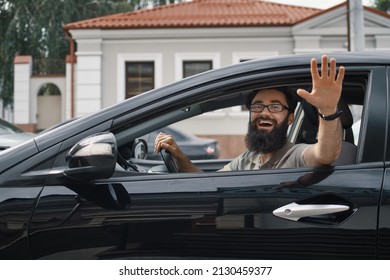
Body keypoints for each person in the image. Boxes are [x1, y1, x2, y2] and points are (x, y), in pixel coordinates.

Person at [154, 55, 345, 172]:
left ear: (291, 118)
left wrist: (327, 111)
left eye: (275, 107)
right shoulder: (249, 158)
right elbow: (210, 184)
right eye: (257, 106)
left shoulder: (295, 154)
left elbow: (325, 155)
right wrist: (179, 155)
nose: (265, 113)